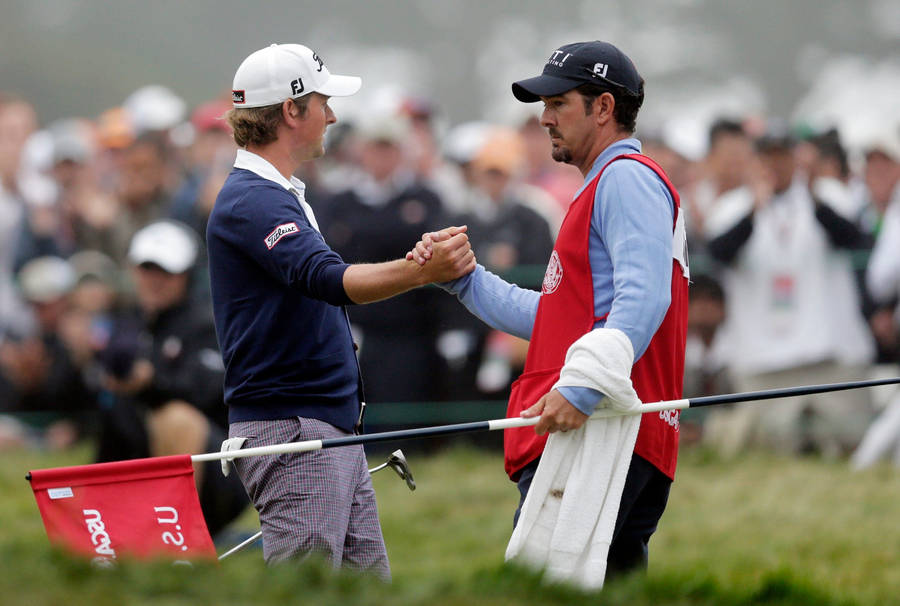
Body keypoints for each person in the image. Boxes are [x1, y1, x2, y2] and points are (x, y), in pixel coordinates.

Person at [410, 40, 689, 579]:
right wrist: (465, 281)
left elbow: (644, 297)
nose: (544, 119)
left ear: (603, 107)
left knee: (546, 588)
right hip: (610, 425)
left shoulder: (625, 178)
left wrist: (582, 389)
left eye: (559, 104)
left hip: (606, 426)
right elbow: (559, 321)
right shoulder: (604, 184)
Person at [206, 43, 475, 578]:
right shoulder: (253, 199)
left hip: (322, 428)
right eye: (324, 102)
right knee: (306, 593)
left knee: (364, 589)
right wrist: (422, 270)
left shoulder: (277, 192)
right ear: (291, 110)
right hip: (293, 431)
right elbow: (328, 280)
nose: (331, 115)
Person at [94, 220, 248, 536]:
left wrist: (152, 383)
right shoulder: (128, 323)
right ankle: (110, 523)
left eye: (165, 271)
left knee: (176, 418)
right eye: (147, 269)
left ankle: (180, 535)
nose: (154, 280)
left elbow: (210, 391)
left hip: (218, 471)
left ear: (187, 275)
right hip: (135, 457)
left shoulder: (210, 322)